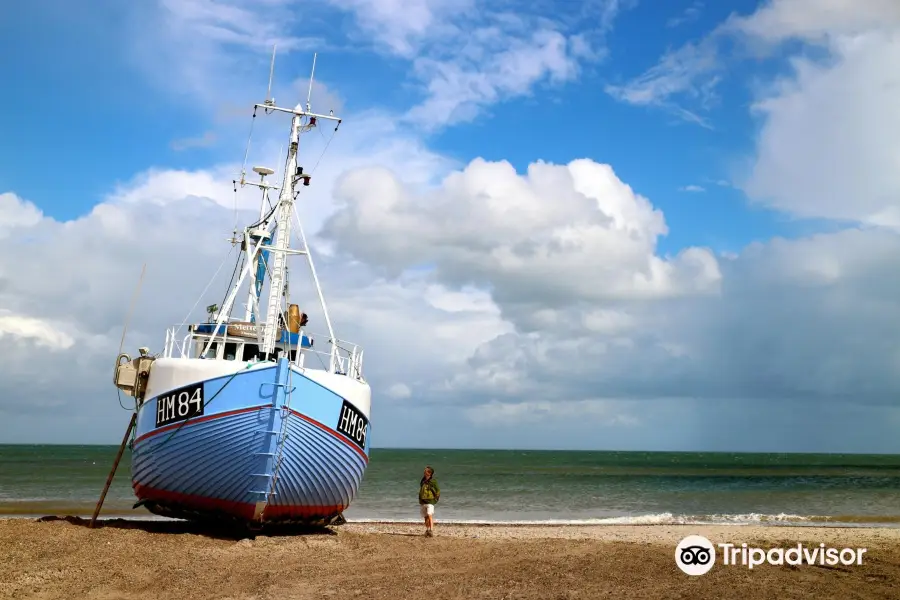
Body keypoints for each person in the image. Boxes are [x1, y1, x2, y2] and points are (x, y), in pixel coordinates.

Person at [418, 465, 440, 537]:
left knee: (430, 515)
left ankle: (431, 530)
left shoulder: (433, 481)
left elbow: (438, 491)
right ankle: (427, 530)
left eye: (426, 470)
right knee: (425, 516)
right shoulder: (423, 480)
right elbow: (421, 489)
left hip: (430, 501)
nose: (424, 471)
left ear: (429, 473)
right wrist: (420, 499)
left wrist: (435, 499)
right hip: (423, 501)